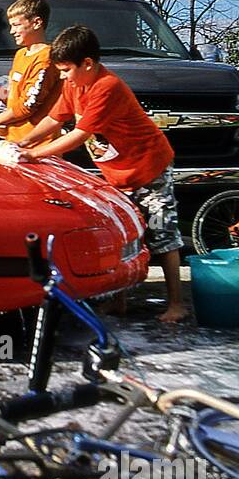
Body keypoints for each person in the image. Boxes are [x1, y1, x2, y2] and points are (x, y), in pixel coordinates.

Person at [17, 24, 186, 323]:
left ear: (88, 64)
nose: (64, 77)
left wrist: (33, 154)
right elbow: (55, 119)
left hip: (149, 168)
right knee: (122, 234)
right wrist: (22, 142)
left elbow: (79, 135)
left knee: (163, 235)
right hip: (116, 173)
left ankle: (177, 303)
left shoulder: (107, 87)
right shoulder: (74, 85)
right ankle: (119, 300)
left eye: (67, 70)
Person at [0, 0, 61, 143]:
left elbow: (27, 106)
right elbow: (12, 99)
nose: (11, 31)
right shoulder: (21, 54)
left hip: (37, 146)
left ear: (37, 23)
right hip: (14, 141)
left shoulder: (45, 58)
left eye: (16, 25)